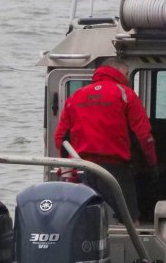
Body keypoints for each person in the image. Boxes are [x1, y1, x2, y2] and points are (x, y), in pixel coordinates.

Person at [54, 58, 157, 223]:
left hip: (84, 168)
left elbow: (61, 137)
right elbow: (144, 136)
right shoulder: (126, 94)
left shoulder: (75, 96)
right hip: (116, 170)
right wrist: (151, 165)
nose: (127, 77)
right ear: (119, 71)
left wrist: (69, 170)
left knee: (85, 216)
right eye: (127, 73)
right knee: (130, 219)